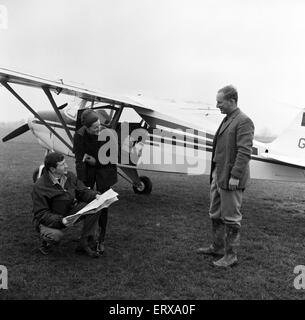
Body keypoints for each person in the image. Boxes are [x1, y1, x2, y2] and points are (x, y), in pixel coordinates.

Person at [197, 85, 255, 268]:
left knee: (231, 217)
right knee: (215, 213)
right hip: (219, 175)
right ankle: (217, 247)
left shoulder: (244, 120)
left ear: (232, 101)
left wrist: (235, 176)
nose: (217, 106)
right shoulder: (228, 119)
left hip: (231, 178)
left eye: (220, 102)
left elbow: (245, 151)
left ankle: (231, 256)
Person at [32, 152, 102, 258]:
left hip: (68, 212)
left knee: (96, 206)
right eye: (62, 164)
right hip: (47, 221)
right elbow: (41, 213)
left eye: (65, 163)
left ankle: (84, 243)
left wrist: (95, 195)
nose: (67, 166)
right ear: (52, 169)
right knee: (56, 236)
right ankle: (45, 242)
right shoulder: (39, 186)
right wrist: (61, 221)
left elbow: (82, 191)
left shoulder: (70, 176)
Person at [73, 109, 118, 255]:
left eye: (99, 125)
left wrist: (96, 162)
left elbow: (112, 159)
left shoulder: (108, 134)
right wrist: (82, 183)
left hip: (105, 171)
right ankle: (88, 237)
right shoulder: (80, 135)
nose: (99, 129)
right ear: (86, 127)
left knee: (103, 205)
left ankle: (101, 240)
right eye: (95, 128)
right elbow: (80, 160)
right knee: (90, 203)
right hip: (89, 173)